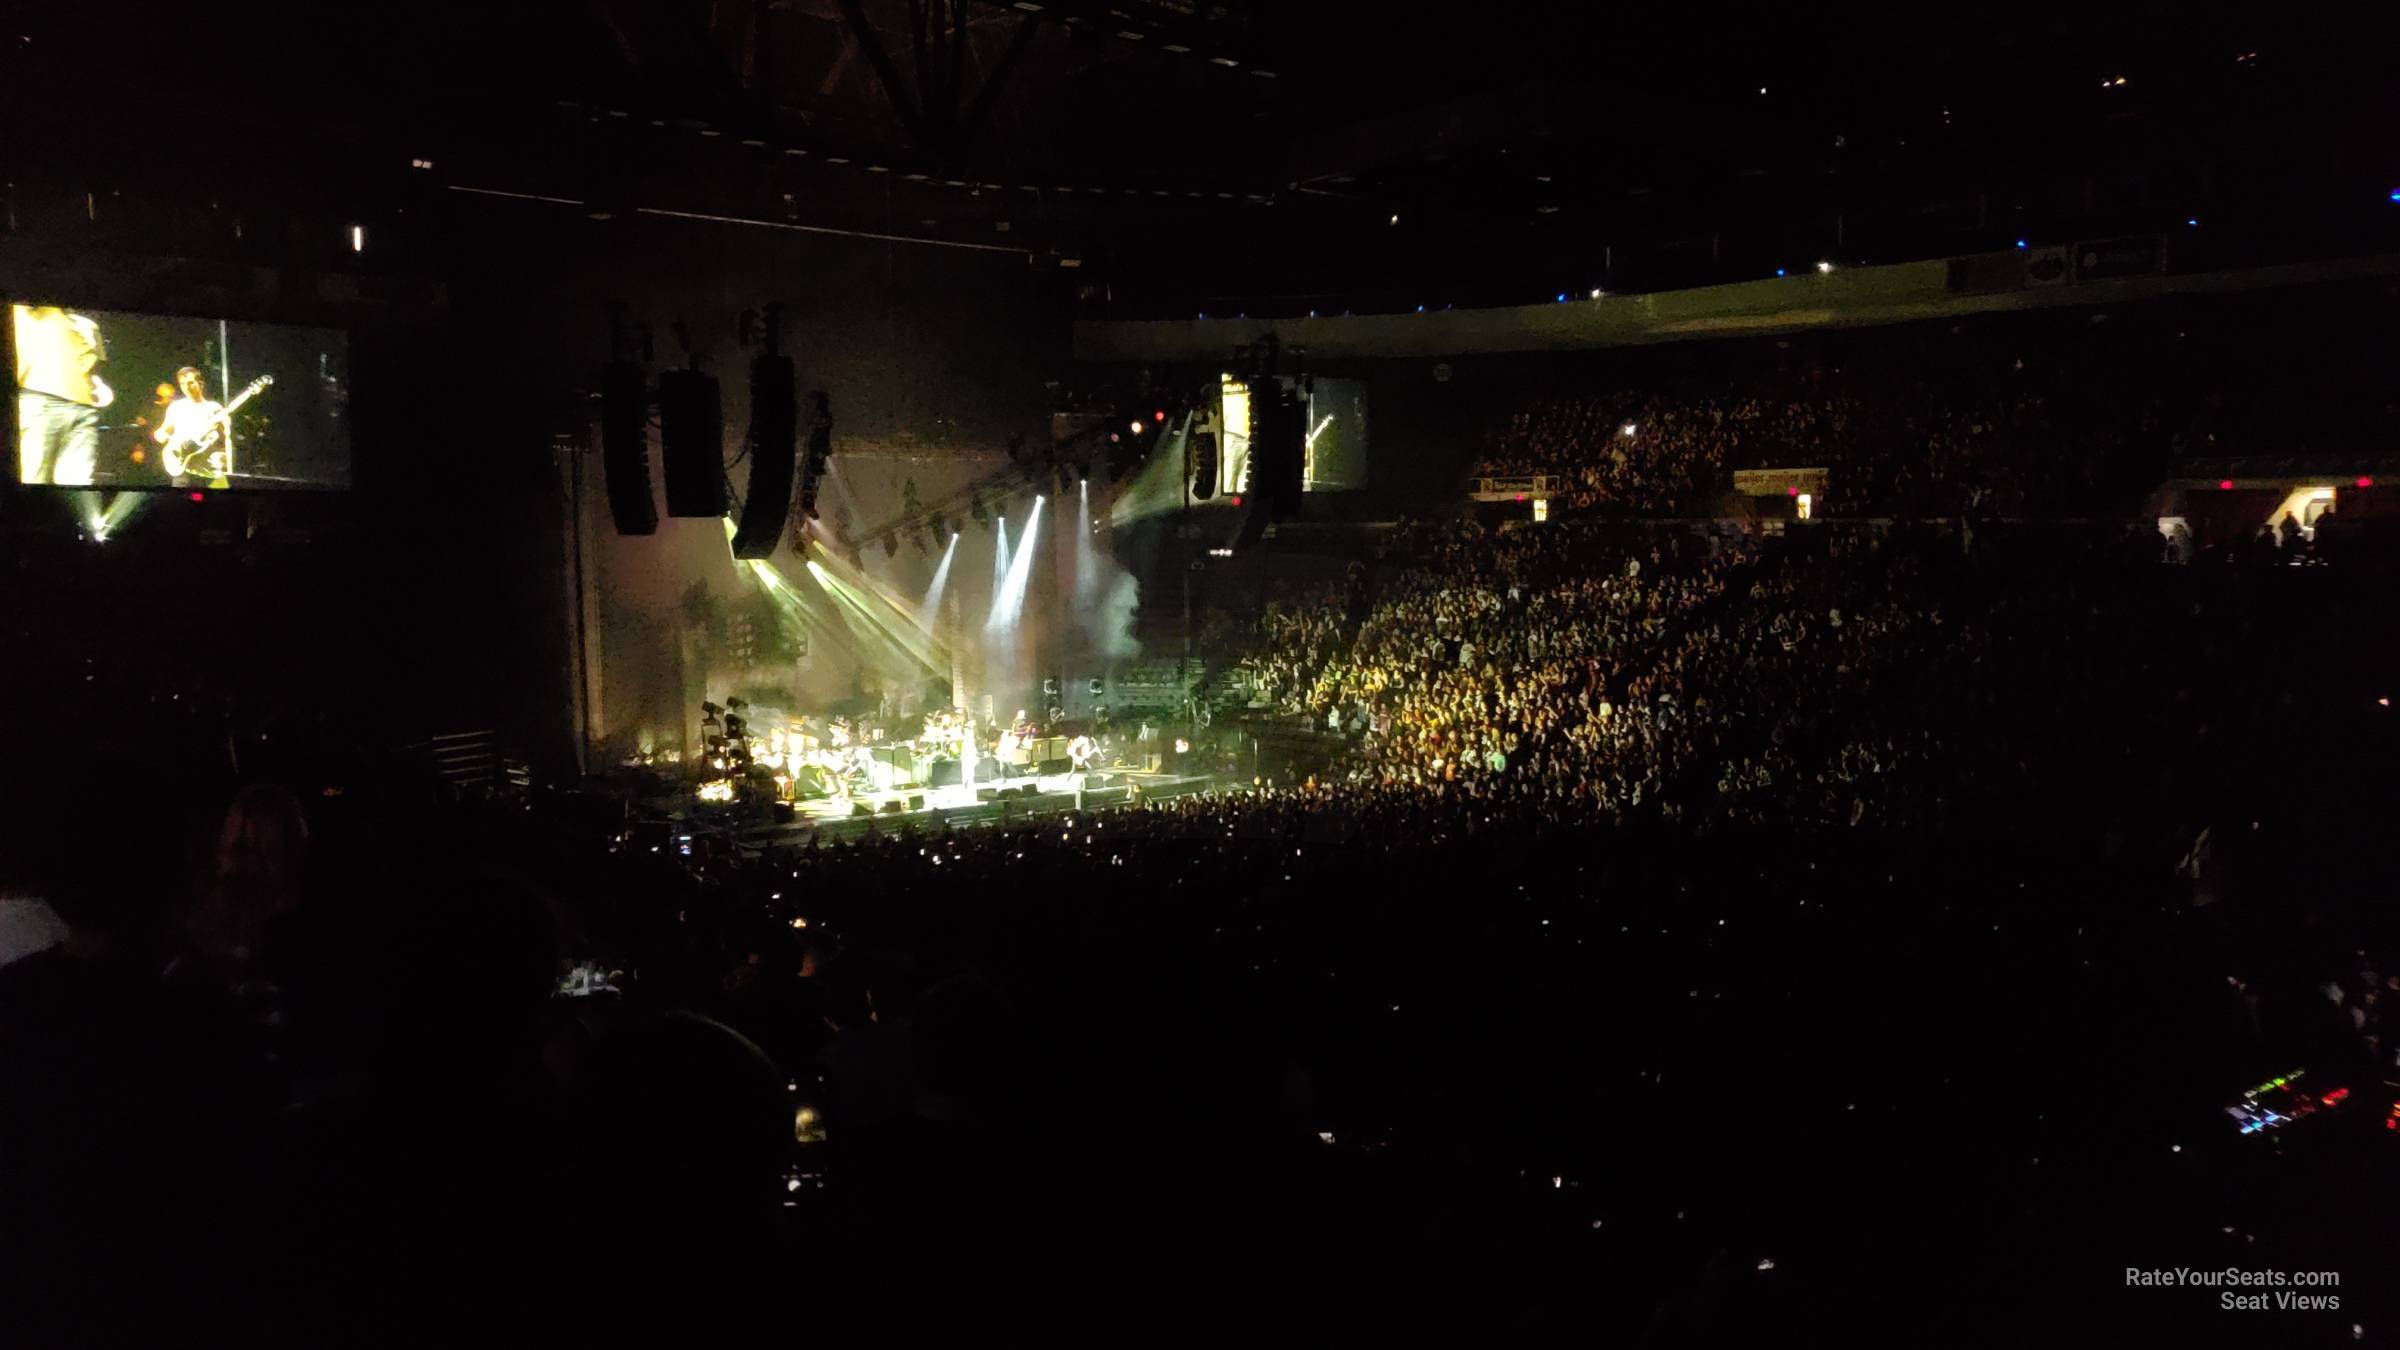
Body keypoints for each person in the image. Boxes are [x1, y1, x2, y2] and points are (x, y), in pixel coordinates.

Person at [13, 304, 111, 485]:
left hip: (83, 407)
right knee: (34, 479)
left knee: (76, 484)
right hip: (41, 399)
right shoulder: (28, 312)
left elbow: (95, 367)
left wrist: (96, 383)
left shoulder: (86, 324)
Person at [155, 366, 232, 483]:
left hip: (207, 471)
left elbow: (224, 438)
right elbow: (162, 432)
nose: (186, 387)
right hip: (182, 470)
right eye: (182, 384)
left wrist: (226, 425)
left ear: (200, 383)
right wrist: (160, 435)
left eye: (190, 383)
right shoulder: (176, 407)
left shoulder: (214, 408)